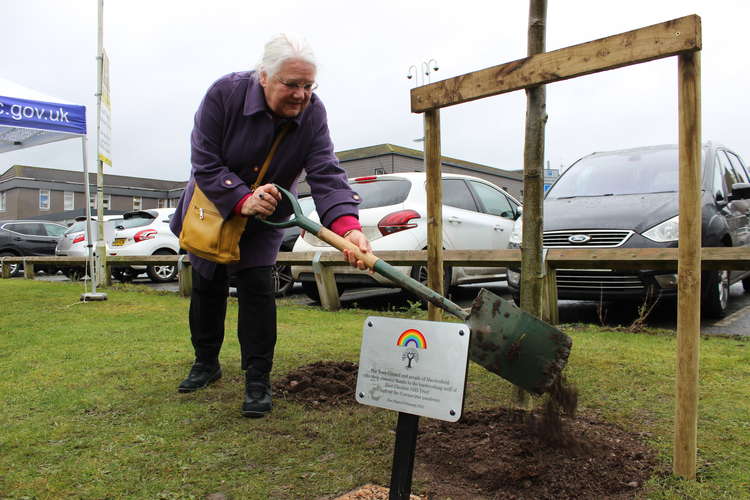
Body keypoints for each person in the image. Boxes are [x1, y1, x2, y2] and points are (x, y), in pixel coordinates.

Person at [169, 33, 371, 418]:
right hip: (215, 206)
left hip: (269, 212)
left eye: (308, 86)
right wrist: (241, 198)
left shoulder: (313, 113)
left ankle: (257, 379)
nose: (300, 95)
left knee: (258, 290)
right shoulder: (223, 95)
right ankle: (205, 362)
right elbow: (205, 161)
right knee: (207, 285)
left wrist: (348, 227)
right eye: (291, 84)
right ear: (264, 77)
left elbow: (326, 171)